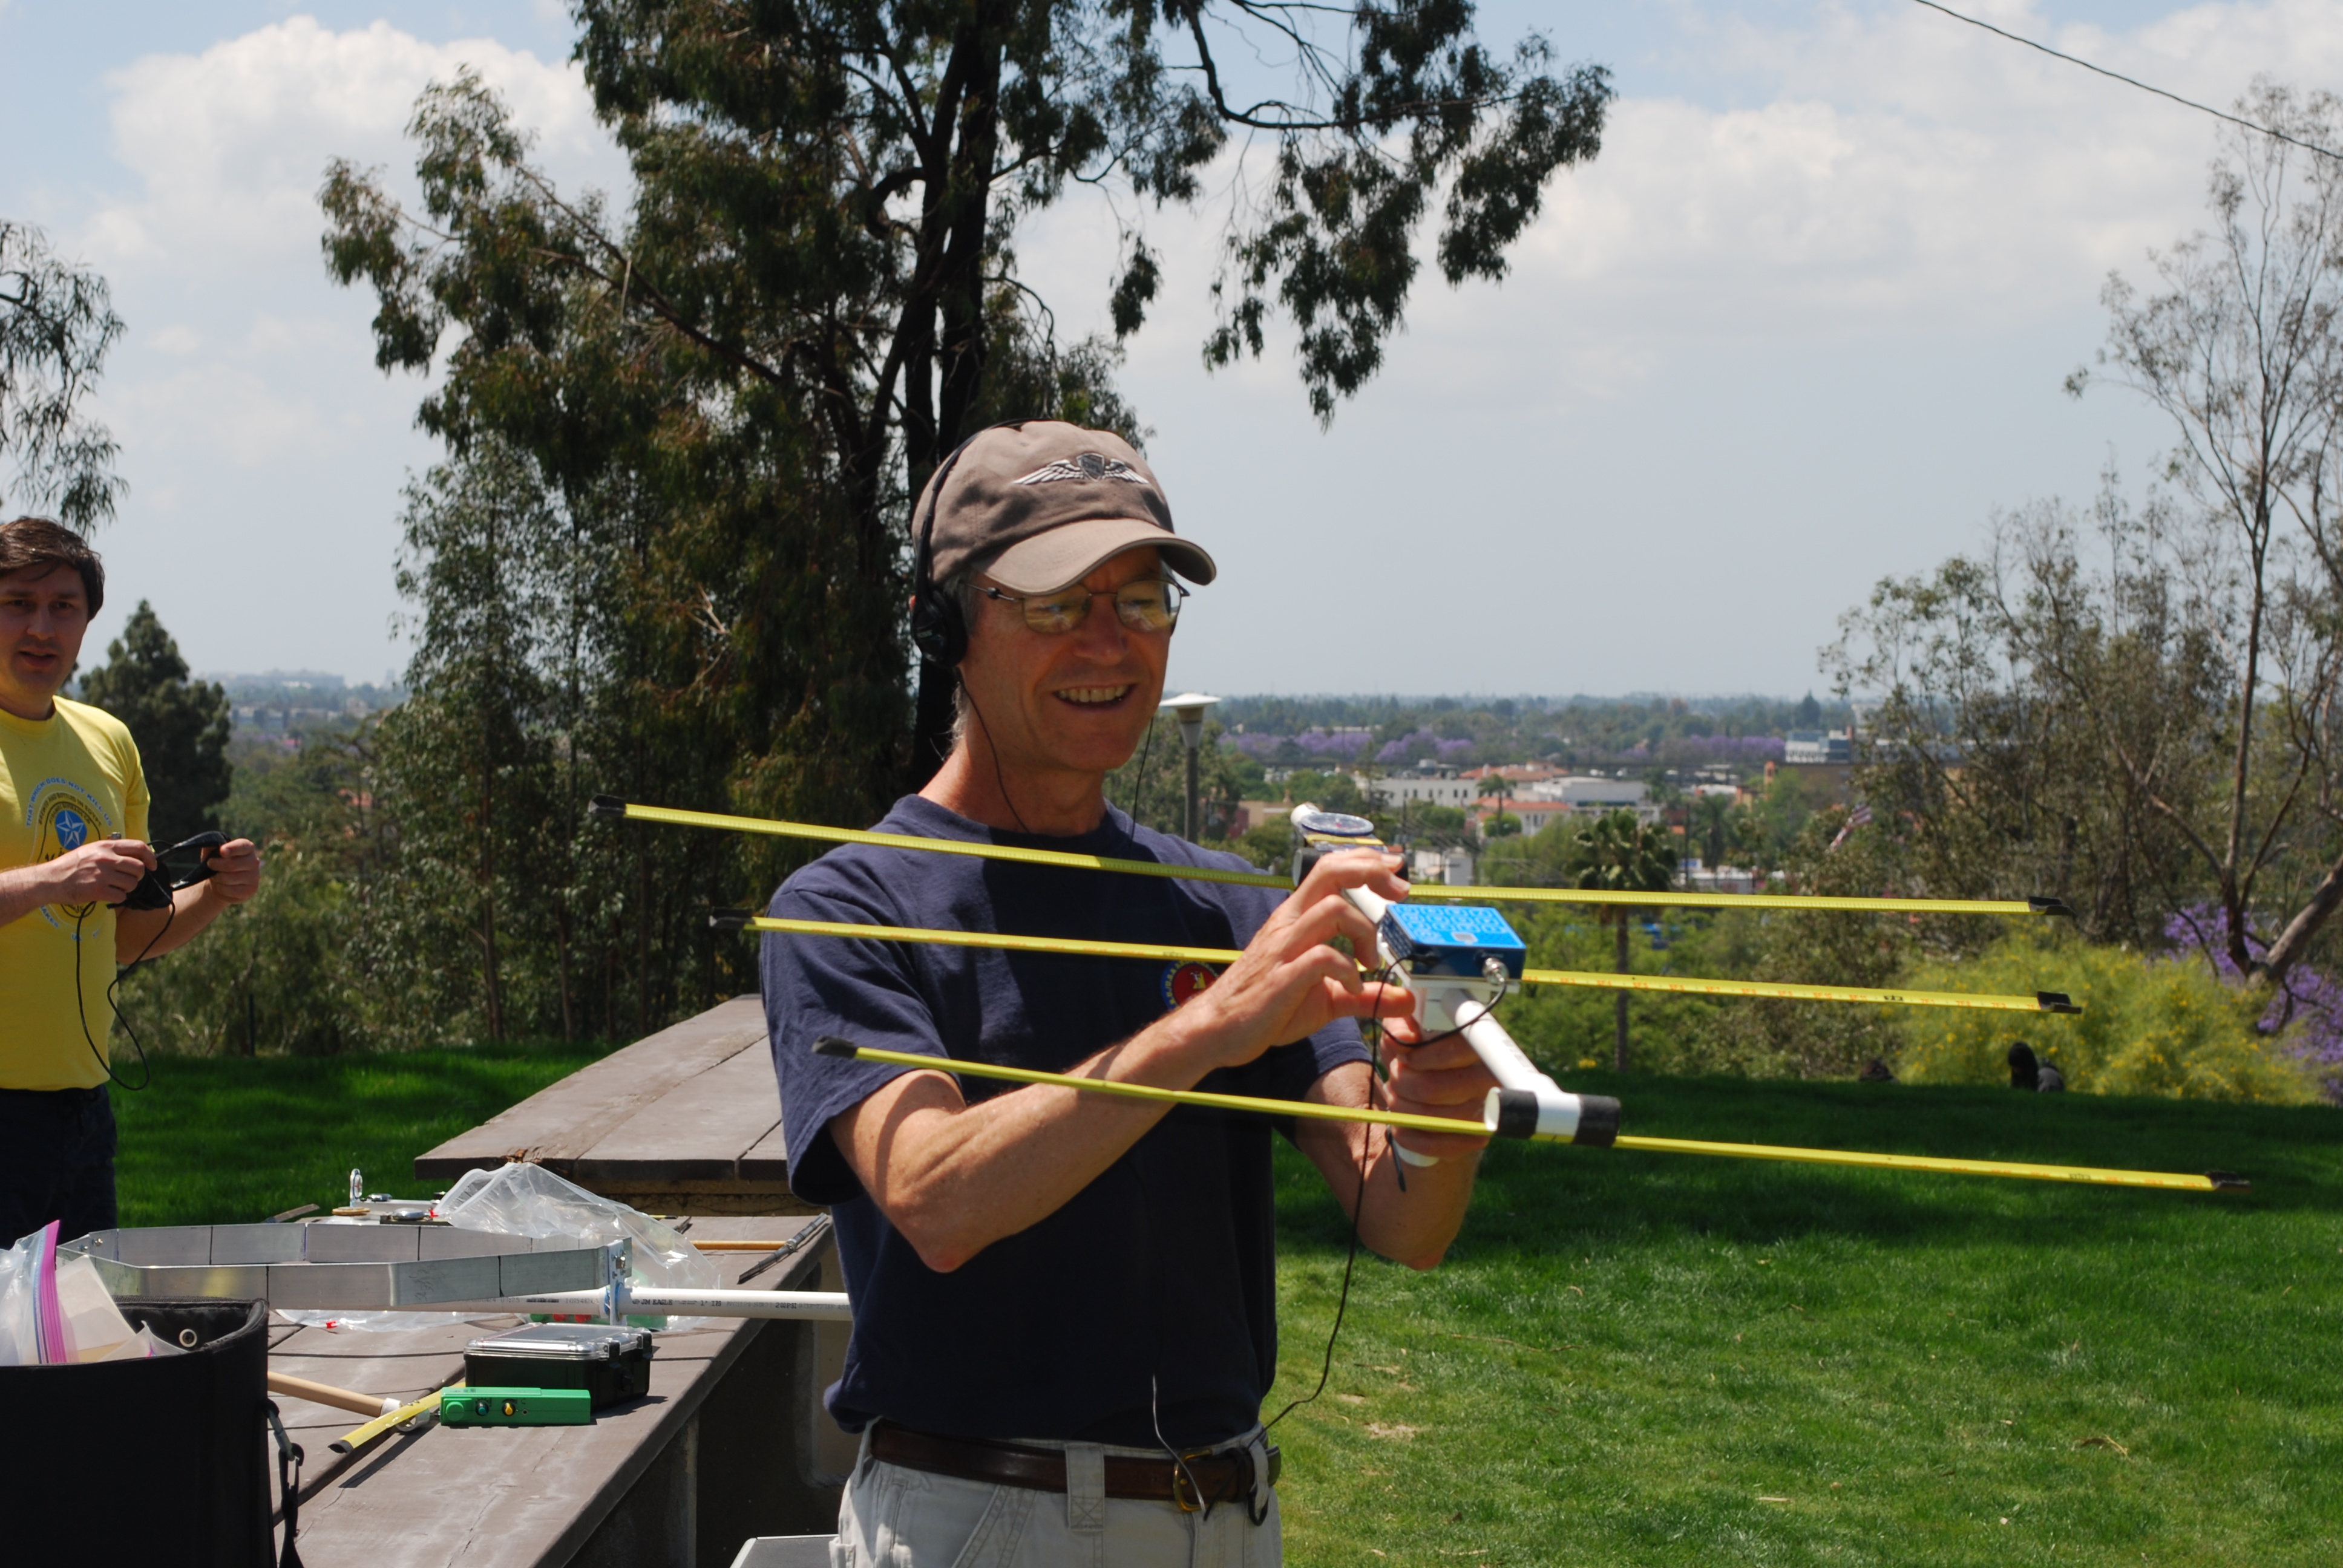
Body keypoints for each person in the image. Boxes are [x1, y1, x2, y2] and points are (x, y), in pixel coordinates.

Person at [762, 422, 1499, 1565]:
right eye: (1057, 603)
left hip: (1229, 1515)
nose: (1109, 641)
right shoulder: (848, 907)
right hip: (987, 1520)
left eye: (1143, 599)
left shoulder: (1225, 904)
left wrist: (1440, 1112)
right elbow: (936, 1200)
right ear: (944, 626)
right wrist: (1212, 1024)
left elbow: (1400, 1220)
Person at [0, 518, 263, 1245]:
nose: (42, 627)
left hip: (84, 1109)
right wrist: (54, 880)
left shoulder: (108, 742)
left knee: (80, 1317)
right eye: (18, 603)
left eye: (64, 606)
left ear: (87, 622)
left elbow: (127, 938)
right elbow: (63, 886)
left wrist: (216, 892)